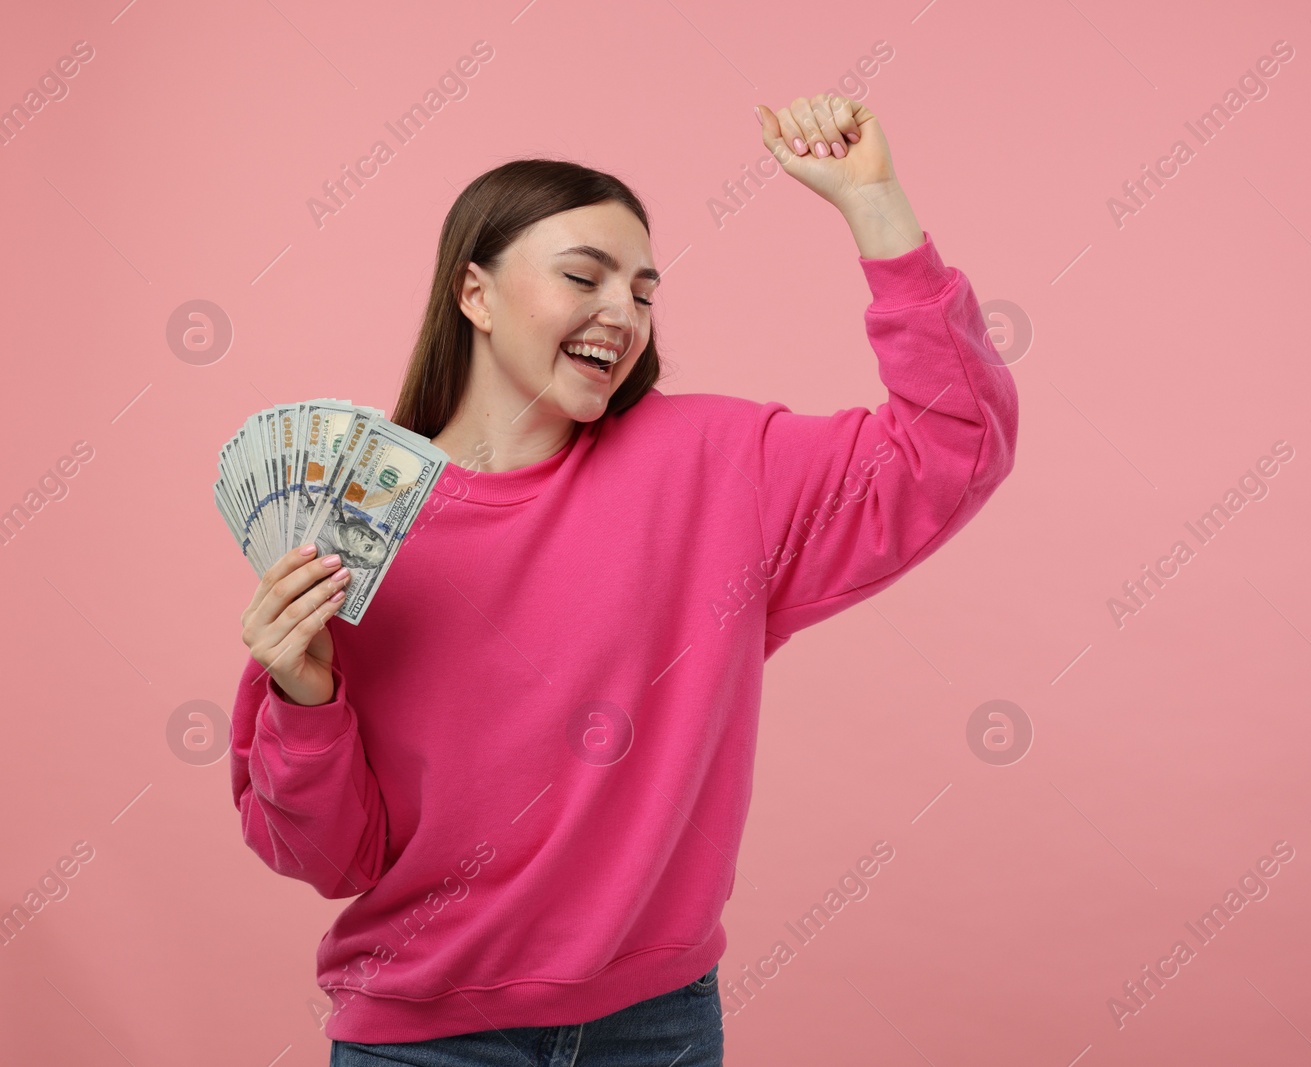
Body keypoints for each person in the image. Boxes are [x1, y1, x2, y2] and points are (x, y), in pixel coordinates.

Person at [230, 92, 1020, 1066]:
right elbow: (323, 856)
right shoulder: (348, 518)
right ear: (473, 293)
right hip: (423, 1041)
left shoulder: (712, 467)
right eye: (584, 276)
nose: (623, 312)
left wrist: (876, 206)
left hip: (655, 1022)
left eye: (643, 291)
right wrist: (302, 696)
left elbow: (955, 445)